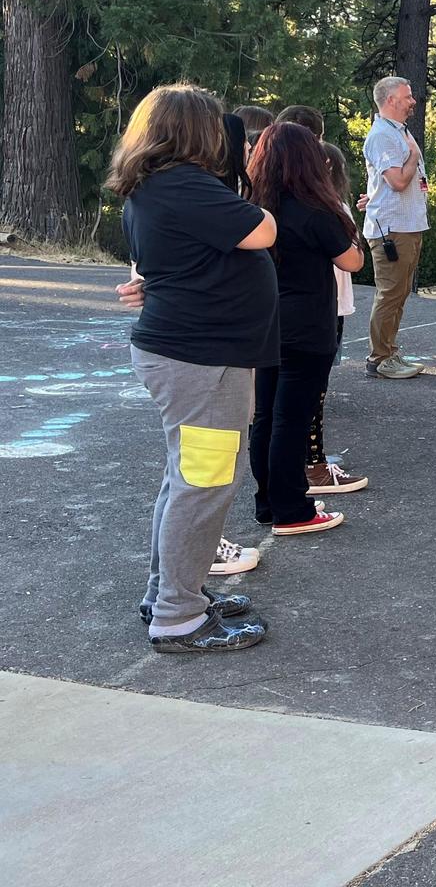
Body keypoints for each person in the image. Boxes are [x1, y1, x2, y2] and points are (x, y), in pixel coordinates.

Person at [108, 84, 275, 653]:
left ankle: (172, 593)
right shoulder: (183, 184)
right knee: (204, 485)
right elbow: (263, 230)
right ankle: (179, 616)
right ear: (195, 132)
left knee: (187, 480)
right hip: (201, 361)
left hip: (194, 357)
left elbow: (178, 264)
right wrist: (257, 186)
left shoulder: (155, 186)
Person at [247, 124, 361, 536]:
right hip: (309, 326)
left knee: (265, 417)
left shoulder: (254, 206)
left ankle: (267, 501)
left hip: (265, 323)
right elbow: (352, 262)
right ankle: (293, 508)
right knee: (292, 419)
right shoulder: (315, 211)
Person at [309, 142, 369, 495]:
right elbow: (352, 258)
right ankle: (313, 467)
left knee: (298, 396)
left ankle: (307, 465)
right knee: (311, 392)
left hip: (320, 306)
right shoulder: (326, 208)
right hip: (323, 308)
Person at [361, 76, 429, 380]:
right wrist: (414, 157)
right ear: (390, 100)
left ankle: (388, 351)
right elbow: (399, 181)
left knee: (400, 293)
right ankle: (379, 358)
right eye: (407, 96)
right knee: (390, 293)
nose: (413, 101)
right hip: (392, 229)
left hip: (408, 224)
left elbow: (386, 182)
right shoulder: (383, 136)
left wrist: (372, 195)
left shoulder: (398, 131)